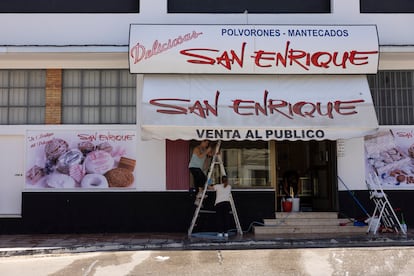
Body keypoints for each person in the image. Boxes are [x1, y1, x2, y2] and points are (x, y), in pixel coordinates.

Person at [188, 140, 212, 205]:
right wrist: (207, 151)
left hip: (199, 168)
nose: (206, 144)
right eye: (206, 143)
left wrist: (211, 152)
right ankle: (200, 192)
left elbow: (209, 155)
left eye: (208, 143)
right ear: (202, 142)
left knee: (198, 181)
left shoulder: (204, 149)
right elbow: (200, 156)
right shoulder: (197, 148)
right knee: (203, 178)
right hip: (194, 166)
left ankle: (197, 199)